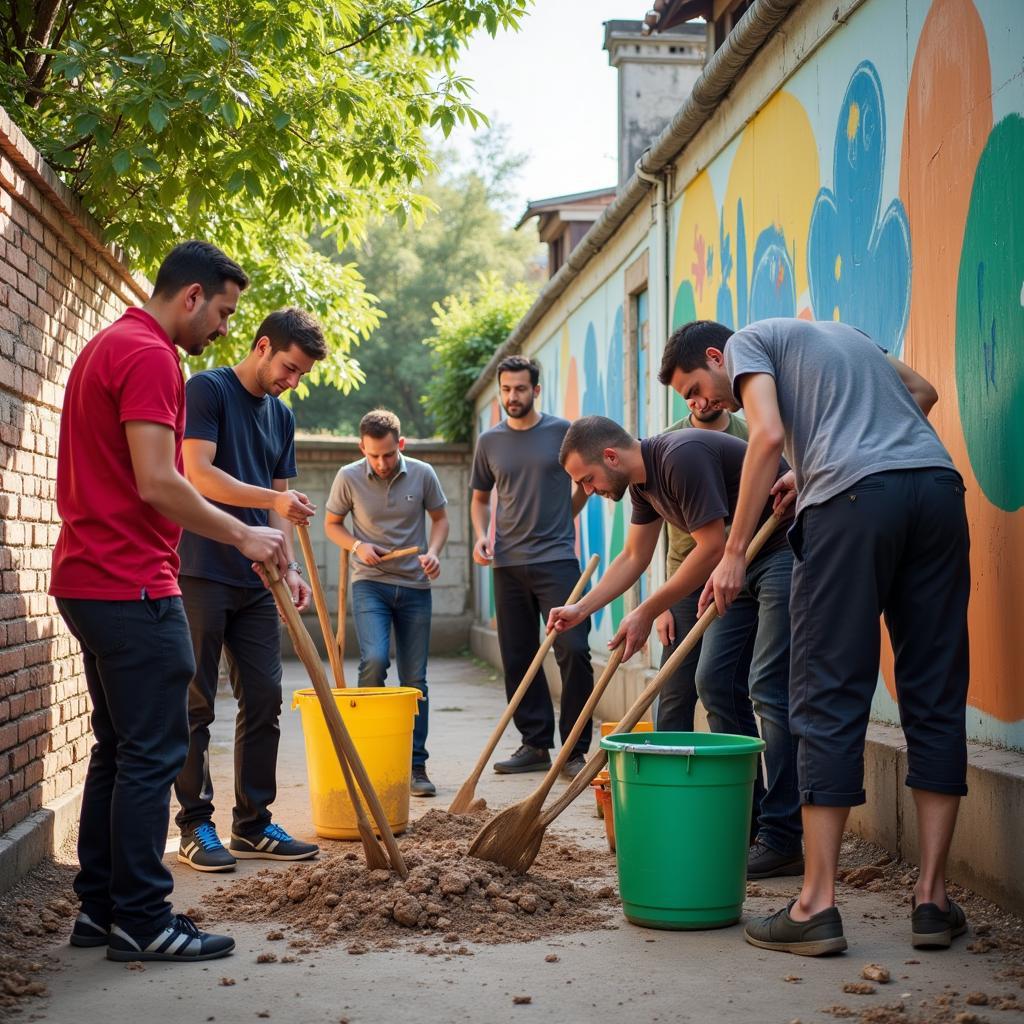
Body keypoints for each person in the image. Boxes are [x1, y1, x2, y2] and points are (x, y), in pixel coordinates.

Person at [663, 316, 970, 956]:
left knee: (826, 696)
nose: (705, 403)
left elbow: (768, 434)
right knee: (936, 694)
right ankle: (933, 899)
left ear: (717, 355)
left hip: (853, 509)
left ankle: (816, 905)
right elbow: (922, 395)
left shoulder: (749, 342)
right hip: (937, 492)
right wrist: (812, 467)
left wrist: (735, 551)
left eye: (698, 385)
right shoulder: (850, 337)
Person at [51, 241, 288, 963]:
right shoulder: (150, 355)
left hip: (88, 580)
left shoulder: (106, 344)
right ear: (191, 297)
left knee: (118, 752)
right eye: (223, 311)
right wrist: (243, 534)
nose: (223, 328)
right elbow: (161, 480)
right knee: (153, 755)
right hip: (132, 584)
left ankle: (101, 910)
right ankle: (145, 919)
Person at [550, 414, 804, 878]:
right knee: (715, 683)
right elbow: (633, 556)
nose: (588, 491)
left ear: (610, 456)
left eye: (587, 480)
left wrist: (647, 610)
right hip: (738, 565)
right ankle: (749, 827)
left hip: (781, 550)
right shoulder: (644, 487)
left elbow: (710, 547)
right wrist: (582, 609)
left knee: (766, 687)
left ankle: (784, 836)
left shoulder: (678, 457)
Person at [174, 308, 327, 871]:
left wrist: (287, 566)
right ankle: (194, 827)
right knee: (195, 702)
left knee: (264, 698)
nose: (292, 381)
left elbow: (280, 494)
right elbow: (199, 474)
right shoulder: (207, 390)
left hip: (258, 580)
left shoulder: (281, 417)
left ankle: (253, 824)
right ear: (263, 347)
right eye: (289, 368)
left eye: (301, 375)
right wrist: (271, 504)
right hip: (200, 569)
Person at [471, 355, 593, 777]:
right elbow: (480, 497)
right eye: (505, 389)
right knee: (519, 655)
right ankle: (535, 744)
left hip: (557, 559)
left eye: (520, 388)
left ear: (536, 390)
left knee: (574, 649)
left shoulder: (563, 433)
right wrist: (481, 534)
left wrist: (565, 514)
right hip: (506, 563)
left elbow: (586, 483)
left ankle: (574, 751)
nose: (512, 396)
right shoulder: (489, 442)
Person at [325, 409, 449, 797]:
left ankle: (416, 766)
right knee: (375, 659)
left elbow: (440, 519)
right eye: (373, 455)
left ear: (401, 445)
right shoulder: (347, 477)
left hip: (414, 587)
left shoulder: (424, 474)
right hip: (370, 584)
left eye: (389, 455)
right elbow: (331, 524)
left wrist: (434, 553)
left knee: (415, 680)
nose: (381, 463)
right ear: (362, 447)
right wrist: (358, 545)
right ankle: (370, 759)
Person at [654, 402, 752, 733]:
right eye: (688, 394)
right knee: (673, 688)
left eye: (701, 390)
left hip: (737, 574)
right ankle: (665, 779)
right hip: (686, 577)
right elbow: (660, 538)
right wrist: (662, 603)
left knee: (719, 684)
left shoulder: (750, 436)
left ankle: (732, 779)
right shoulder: (668, 442)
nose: (699, 401)